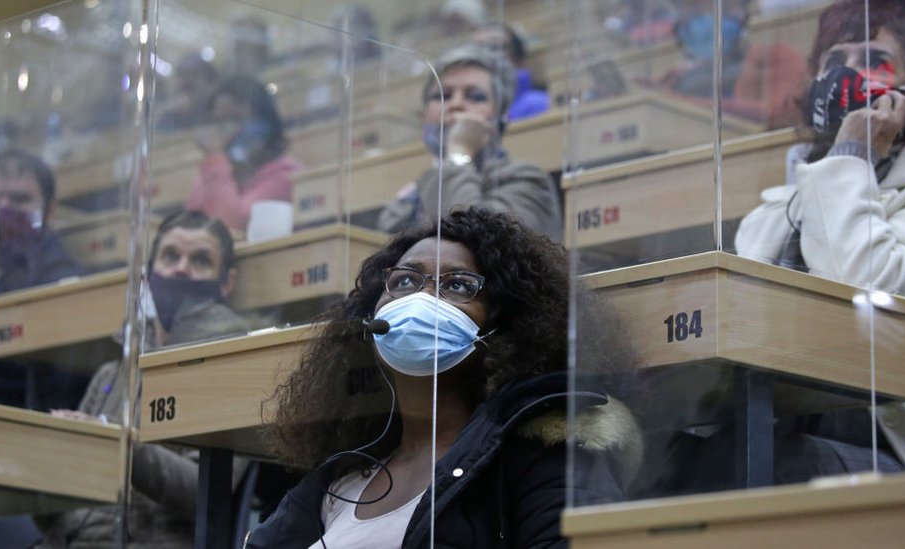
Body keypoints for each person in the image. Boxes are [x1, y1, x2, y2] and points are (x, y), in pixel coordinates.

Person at [245, 207, 644, 548]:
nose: (422, 299)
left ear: (505, 325)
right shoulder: (338, 479)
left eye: (457, 285)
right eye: (405, 281)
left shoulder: (544, 458)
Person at [735, 0, 905, 470]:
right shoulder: (781, 205)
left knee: (770, 465)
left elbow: (868, 296)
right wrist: (841, 161)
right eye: (834, 62)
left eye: (873, 61)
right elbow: (745, 309)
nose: (846, 74)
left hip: (897, 443)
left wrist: (852, 155)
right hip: (785, 418)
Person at [34, 211, 256, 548]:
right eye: (170, 256)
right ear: (150, 274)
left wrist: (116, 441)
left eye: (200, 260)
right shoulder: (112, 373)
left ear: (226, 282)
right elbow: (69, 493)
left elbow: (204, 493)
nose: (181, 268)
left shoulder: (233, 370)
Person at [376, 46, 563, 243]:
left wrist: (458, 152)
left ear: (500, 119)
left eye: (475, 97)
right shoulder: (407, 200)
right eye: (443, 96)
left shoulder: (527, 180)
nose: (456, 104)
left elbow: (477, 244)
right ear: (424, 117)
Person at [0, 149, 84, 408]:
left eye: (20, 199)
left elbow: (30, 374)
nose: (3, 209)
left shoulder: (58, 277)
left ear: (48, 211)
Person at [656, 0, 809, 129]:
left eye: (723, 8)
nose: (706, 20)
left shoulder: (777, 58)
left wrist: (683, 104)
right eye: (693, 8)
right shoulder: (673, 81)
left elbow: (781, 114)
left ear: (743, 14)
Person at [185, 76, 302, 233]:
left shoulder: (286, 175)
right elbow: (188, 227)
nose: (230, 132)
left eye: (236, 119)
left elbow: (236, 224)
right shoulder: (210, 175)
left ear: (265, 123)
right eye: (221, 124)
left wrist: (215, 157)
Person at [472, 21, 550, 121]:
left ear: (518, 58)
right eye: (476, 50)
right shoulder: (465, 104)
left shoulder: (537, 103)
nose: (485, 55)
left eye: (494, 47)